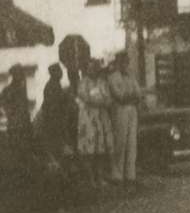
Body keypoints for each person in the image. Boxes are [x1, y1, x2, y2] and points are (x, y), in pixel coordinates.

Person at [76, 59, 114, 191]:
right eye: (90, 68)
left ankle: (101, 177)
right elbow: (86, 98)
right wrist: (99, 101)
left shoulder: (102, 83)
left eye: (95, 68)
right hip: (88, 119)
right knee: (89, 150)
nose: (93, 70)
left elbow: (108, 100)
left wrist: (100, 101)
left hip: (101, 118)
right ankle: (91, 179)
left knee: (101, 149)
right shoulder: (83, 83)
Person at [106, 54, 143, 190]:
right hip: (120, 110)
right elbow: (119, 96)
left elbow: (138, 93)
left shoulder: (131, 76)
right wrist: (130, 95)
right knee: (120, 142)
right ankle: (118, 176)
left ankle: (130, 176)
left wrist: (131, 96)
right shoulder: (112, 78)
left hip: (132, 110)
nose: (124, 65)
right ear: (117, 63)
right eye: (122, 62)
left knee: (131, 143)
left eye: (126, 62)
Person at [38, 64, 75, 159]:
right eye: (59, 71)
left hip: (57, 119)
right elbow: (54, 104)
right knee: (57, 146)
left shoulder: (55, 84)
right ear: (53, 73)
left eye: (60, 71)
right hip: (54, 121)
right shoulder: (51, 86)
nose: (61, 73)